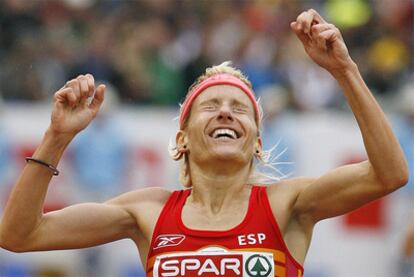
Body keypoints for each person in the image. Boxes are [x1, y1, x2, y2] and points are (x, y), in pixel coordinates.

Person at [0, 10, 408, 277]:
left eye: (239, 108)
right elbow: (19, 236)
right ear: (181, 140)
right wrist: (57, 137)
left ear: (258, 143)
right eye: (211, 105)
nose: (226, 113)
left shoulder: (289, 205)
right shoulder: (147, 211)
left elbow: (390, 174)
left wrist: (345, 70)